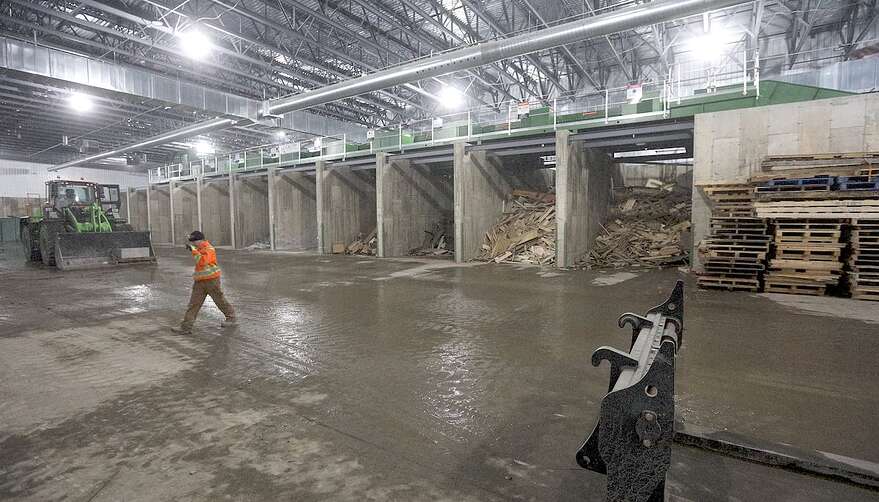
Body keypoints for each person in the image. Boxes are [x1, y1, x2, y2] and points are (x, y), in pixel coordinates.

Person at [172, 230, 237, 335]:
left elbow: (202, 262)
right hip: (200, 282)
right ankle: (186, 327)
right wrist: (194, 249)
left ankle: (231, 318)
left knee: (220, 300)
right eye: (192, 243)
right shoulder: (199, 249)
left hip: (212, 281)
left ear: (201, 240)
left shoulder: (209, 249)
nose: (193, 244)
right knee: (193, 304)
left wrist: (193, 250)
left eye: (194, 242)